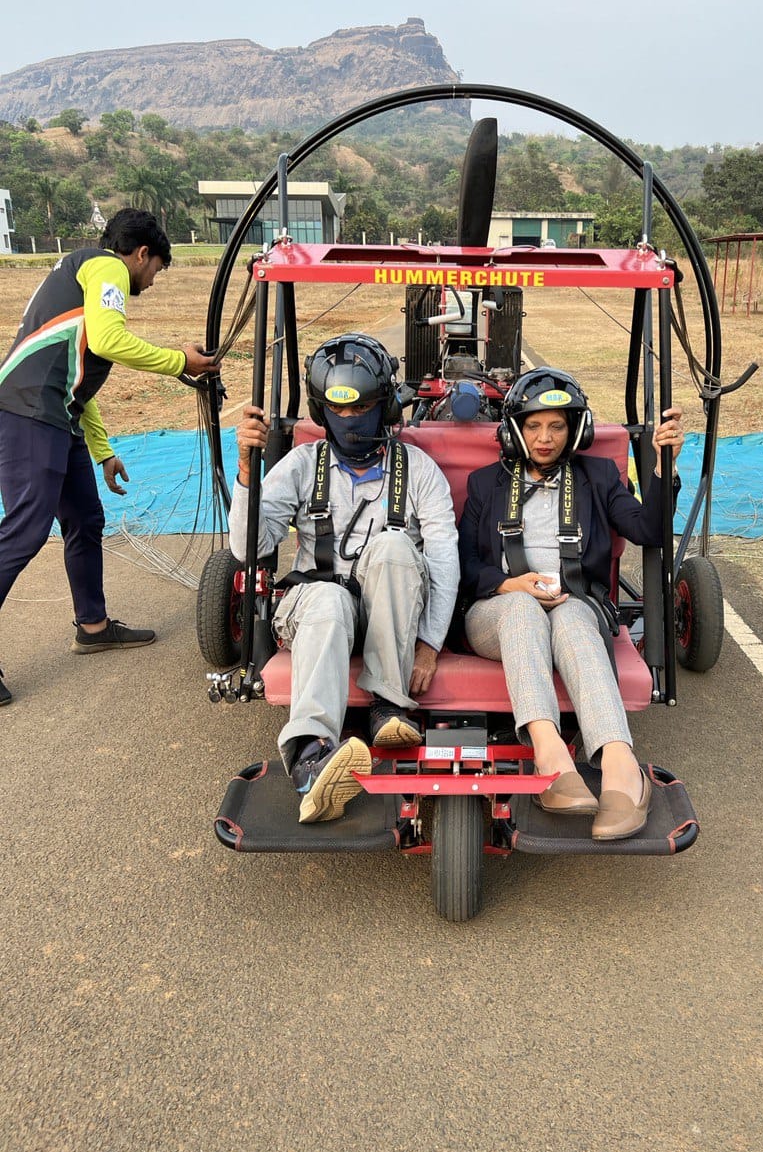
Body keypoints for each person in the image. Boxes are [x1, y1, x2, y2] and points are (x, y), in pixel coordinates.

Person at [230, 333, 459, 825]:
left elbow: (442, 559)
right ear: (321, 410)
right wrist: (248, 471)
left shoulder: (419, 470)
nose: (351, 423)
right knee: (331, 599)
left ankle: (389, 708)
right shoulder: (299, 465)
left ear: (388, 408)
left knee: (397, 546)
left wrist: (431, 643)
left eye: (364, 410)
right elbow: (250, 546)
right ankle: (311, 756)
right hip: (318, 607)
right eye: (340, 412)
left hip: (392, 613)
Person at [0, 208, 219, 706]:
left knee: (84, 517)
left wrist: (102, 451)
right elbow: (108, 341)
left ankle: (93, 626)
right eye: (157, 269)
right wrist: (179, 361)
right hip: (30, 410)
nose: (154, 280)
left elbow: (81, 376)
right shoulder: (107, 267)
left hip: (59, 412)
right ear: (141, 253)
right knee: (25, 529)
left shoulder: (83, 273)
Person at [458, 367, 684, 842]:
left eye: (557, 426)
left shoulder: (597, 476)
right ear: (515, 429)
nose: (545, 438)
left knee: (572, 617)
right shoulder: (485, 485)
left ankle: (621, 768)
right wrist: (510, 585)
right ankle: (551, 754)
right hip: (496, 612)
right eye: (534, 425)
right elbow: (463, 567)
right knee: (523, 609)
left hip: (575, 604)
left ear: (574, 430)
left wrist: (664, 469)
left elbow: (648, 531)